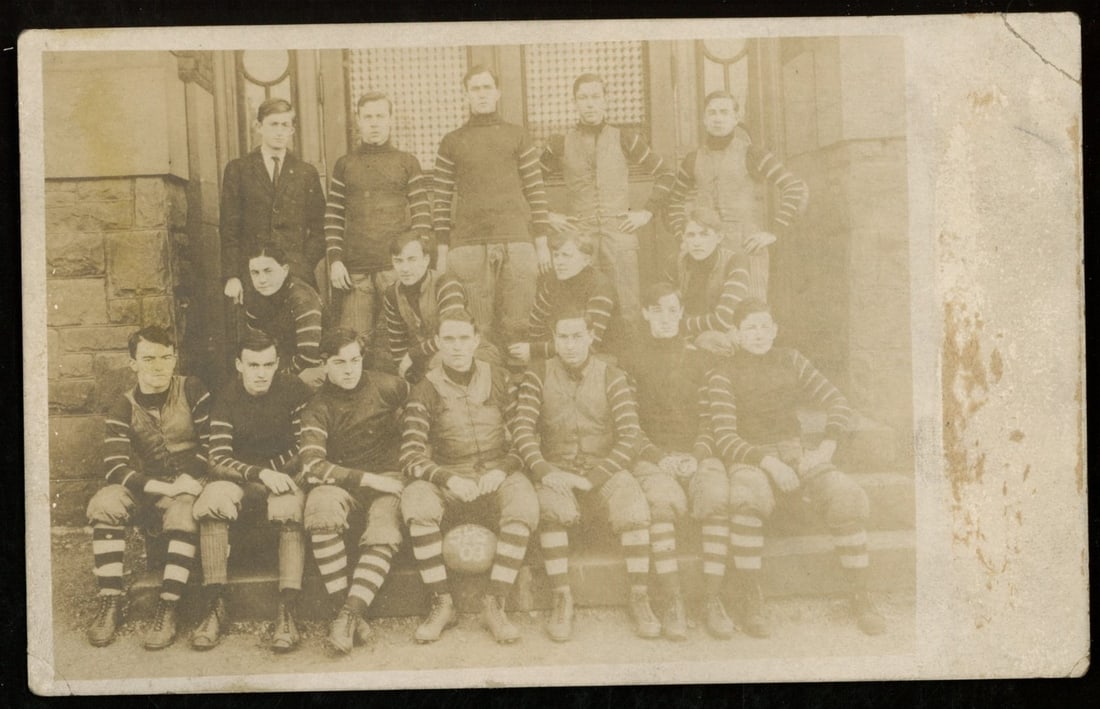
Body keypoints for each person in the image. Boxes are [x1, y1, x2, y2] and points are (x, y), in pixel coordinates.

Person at [706, 298, 885, 636]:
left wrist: (827, 446)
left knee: (847, 495)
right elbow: (725, 438)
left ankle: (861, 593)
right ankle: (750, 596)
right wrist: (770, 463)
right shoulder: (722, 373)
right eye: (749, 328)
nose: (758, 334)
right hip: (750, 457)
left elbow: (837, 401)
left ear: (774, 329)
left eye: (763, 326)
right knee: (747, 496)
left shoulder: (791, 360)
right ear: (736, 334)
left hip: (793, 452)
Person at [512, 312, 678, 641]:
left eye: (577, 336)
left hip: (605, 468)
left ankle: (639, 596)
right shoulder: (538, 375)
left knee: (633, 508)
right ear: (554, 340)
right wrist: (545, 470)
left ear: (591, 337)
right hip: (558, 467)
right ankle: (562, 597)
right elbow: (522, 430)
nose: (570, 345)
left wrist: (596, 476)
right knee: (551, 510)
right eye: (563, 337)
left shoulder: (611, 375)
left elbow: (630, 435)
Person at [399, 311, 539, 644]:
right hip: (450, 475)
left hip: (497, 469)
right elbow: (409, 456)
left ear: (476, 341)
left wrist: (502, 469)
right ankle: (442, 602)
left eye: (464, 339)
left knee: (522, 502)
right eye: (449, 339)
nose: (457, 347)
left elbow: (527, 439)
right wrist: (447, 478)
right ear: (438, 344)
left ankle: (495, 601)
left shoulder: (501, 378)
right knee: (417, 501)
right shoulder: (425, 388)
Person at [84, 326, 209, 650]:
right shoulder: (123, 405)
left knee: (183, 511)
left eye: (166, 357)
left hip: (192, 479)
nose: (158, 366)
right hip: (150, 482)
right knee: (105, 503)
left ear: (174, 359)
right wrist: (158, 487)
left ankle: (168, 607)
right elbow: (114, 466)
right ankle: (110, 602)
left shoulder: (192, 388)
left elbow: (213, 446)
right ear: (133, 363)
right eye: (149, 358)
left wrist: (189, 478)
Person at [625, 282, 739, 639]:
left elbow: (710, 420)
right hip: (652, 457)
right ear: (645, 313)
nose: (665, 319)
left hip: (697, 453)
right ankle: (673, 599)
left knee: (717, 496)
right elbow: (628, 424)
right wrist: (660, 459)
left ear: (681, 313)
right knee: (661, 503)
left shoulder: (700, 359)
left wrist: (698, 454)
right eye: (656, 310)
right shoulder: (632, 359)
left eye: (672, 311)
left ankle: (711, 598)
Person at [189, 330, 313, 652]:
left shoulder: (293, 389)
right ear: (239, 364)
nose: (261, 373)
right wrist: (259, 473)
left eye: (268, 365)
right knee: (213, 498)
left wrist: (276, 472)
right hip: (242, 477)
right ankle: (215, 606)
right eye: (253, 365)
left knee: (289, 506)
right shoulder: (226, 397)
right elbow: (217, 459)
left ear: (277, 364)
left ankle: (288, 610)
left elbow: (305, 444)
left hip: (284, 476)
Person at [540, 72, 675, 343]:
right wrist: (546, 215)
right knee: (579, 308)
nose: (590, 104)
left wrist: (646, 212)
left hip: (620, 235)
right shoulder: (558, 144)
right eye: (583, 98)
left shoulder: (626, 138)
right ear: (574, 103)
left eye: (595, 97)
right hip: (580, 240)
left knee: (628, 308)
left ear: (606, 100)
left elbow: (666, 174)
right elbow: (526, 184)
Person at [298, 328, 410, 655]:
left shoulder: (388, 385)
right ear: (324, 365)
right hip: (343, 480)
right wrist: (369, 480)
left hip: (389, 475)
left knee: (384, 529)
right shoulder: (318, 406)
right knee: (320, 512)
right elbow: (311, 466)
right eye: (339, 362)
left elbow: (423, 406)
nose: (349, 369)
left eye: (355, 360)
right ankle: (347, 612)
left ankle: (347, 615)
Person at [432, 65, 551, 359]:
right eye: (475, 88)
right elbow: (442, 200)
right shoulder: (452, 141)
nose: (482, 94)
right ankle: (487, 390)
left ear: (497, 93)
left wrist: (542, 242)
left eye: (487, 88)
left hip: (517, 241)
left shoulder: (518, 136)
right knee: (478, 328)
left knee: (519, 324)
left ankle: (520, 387)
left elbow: (535, 192)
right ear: (466, 95)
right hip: (469, 245)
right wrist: (443, 250)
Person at [667, 91, 808, 301]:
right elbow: (674, 200)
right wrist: (683, 237)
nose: (717, 118)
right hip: (705, 249)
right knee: (708, 305)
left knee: (749, 308)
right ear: (704, 120)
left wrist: (773, 232)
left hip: (746, 245)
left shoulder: (753, 154)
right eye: (712, 113)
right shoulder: (692, 159)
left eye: (724, 112)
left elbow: (794, 187)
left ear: (735, 118)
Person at [322, 91, 432, 345]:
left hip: (396, 269)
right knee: (353, 343)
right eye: (368, 117)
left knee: (408, 338)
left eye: (380, 116)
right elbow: (333, 216)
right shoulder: (345, 164)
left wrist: (416, 262)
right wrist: (335, 260)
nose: (374, 123)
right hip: (356, 271)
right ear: (358, 121)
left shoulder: (406, 162)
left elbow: (422, 215)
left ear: (390, 119)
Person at [220, 98, 325, 304]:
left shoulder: (306, 172)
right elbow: (229, 228)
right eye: (273, 124)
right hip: (253, 277)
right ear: (259, 127)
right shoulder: (239, 169)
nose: (279, 131)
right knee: (256, 335)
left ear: (292, 130)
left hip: (296, 275)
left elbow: (320, 228)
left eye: (285, 125)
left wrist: (302, 264)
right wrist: (232, 275)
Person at [381, 230, 499, 383]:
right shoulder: (392, 293)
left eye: (412, 260)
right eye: (398, 261)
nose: (405, 268)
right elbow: (398, 346)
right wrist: (407, 375)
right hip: (432, 356)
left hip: (471, 351)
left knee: (439, 367)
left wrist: (413, 354)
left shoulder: (445, 284)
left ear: (426, 260)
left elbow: (452, 333)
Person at [508, 230, 618, 364]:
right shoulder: (551, 282)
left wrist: (534, 350)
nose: (559, 262)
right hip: (564, 353)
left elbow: (591, 345)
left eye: (566, 256)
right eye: (556, 256)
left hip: (600, 357)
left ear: (586, 260)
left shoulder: (600, 286)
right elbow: (535, 328)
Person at [661, 207, 751, 356]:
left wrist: (677, 325)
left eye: (704, 235)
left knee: (716, 343)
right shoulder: (676, 262)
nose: (697, 242)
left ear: (719, 237)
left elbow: (724, 319)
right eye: (691, 235)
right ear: (683, 237)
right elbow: (662, 305)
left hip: (722, 333)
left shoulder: (734, 261)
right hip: (685, 333)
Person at [242, 244, 326, 389]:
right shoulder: (254, 299)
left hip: (314, 365)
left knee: (307, 379)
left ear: (285, 270)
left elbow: (309, 358)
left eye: (268, 271)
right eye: (255, 273)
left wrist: (275, 378)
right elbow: (255, 346)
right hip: (277, 365)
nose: (262, 279)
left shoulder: (302, 298)